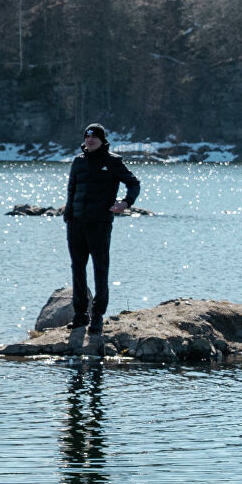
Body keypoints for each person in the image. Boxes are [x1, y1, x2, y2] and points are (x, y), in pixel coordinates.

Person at [64, 122, 140, 333]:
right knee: (77, 268)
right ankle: (80, 315)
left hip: (100, 224)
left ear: (102, 140)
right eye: (87, 138)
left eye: (94, 138)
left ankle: (97, 315)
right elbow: (71, 190)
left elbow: (134, 183)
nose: (90, 141)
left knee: (100, 269)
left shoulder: (113, 162)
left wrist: (125, 203)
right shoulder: (78, 161)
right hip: (76, 224)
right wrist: (68, 215)